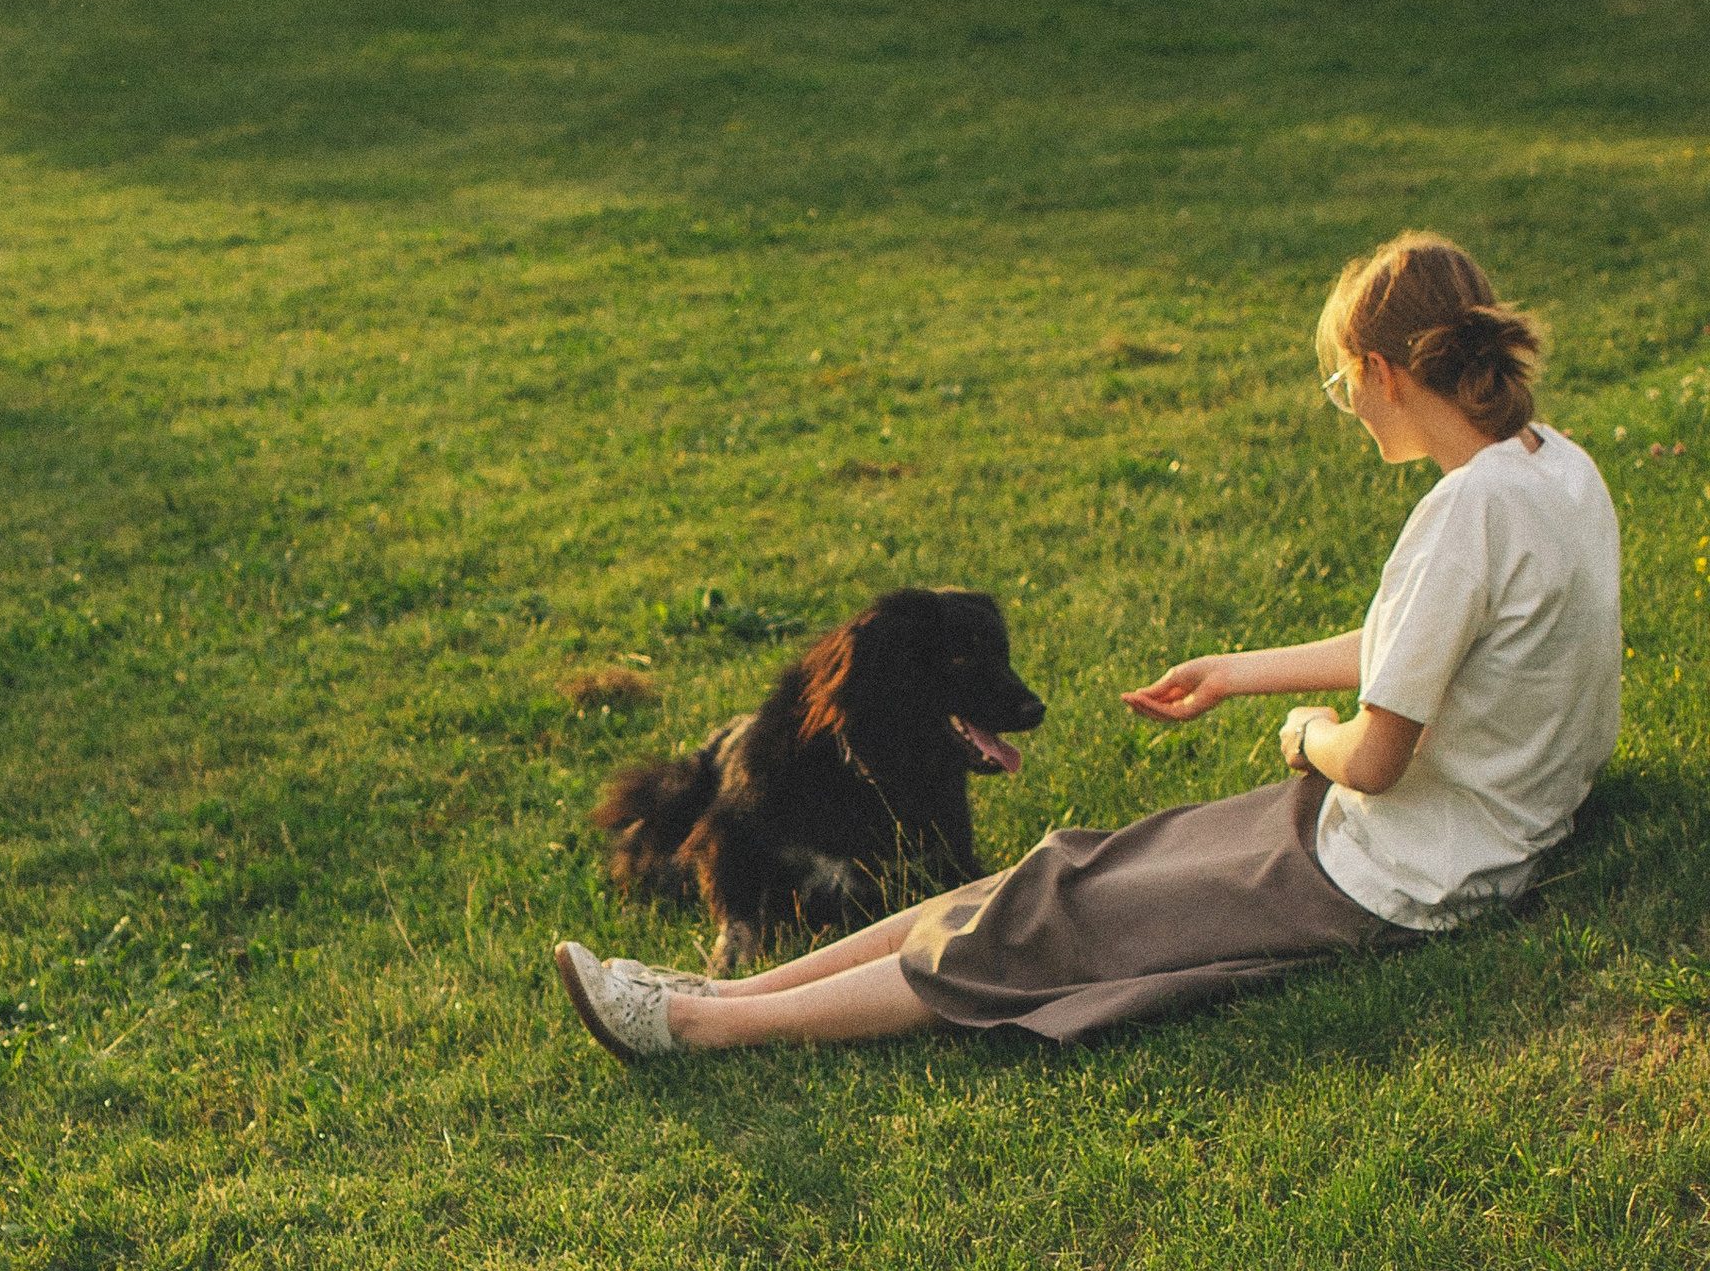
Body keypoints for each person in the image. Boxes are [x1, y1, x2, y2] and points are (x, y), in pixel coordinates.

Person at [555, 233, 1621, 1062]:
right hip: (1430, 836)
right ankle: (720, 989)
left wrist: (1302, 738)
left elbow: (1375, 756)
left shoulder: (1459, 518)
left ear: (1386, 372)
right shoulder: (1549, 469)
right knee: (1058, 866)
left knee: (1040, 929)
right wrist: (1236, 675)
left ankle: (694, 1029)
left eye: (1343, 387)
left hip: (1397, 872)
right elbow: (1426, 643)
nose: (1349, 411)